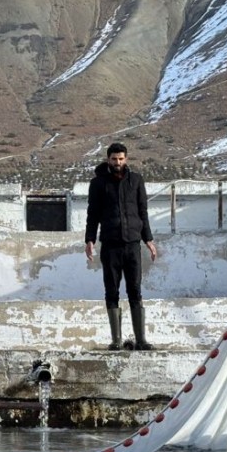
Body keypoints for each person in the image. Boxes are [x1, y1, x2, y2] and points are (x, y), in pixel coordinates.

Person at [85, 142, 158, 350]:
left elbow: (143, 212)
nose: (117, 162)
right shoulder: (98, 183)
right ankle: (116, 340)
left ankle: (141, 340)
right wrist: (89, 240)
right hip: (110, 245)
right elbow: (93, 214)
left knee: (135, 290)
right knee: (112, 291)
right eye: (114, 159)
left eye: (121, 159)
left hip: (132, 244)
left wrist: (149, 240)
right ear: (108, 159)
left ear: (126, 159)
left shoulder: (136, 181)